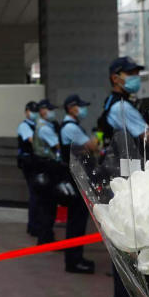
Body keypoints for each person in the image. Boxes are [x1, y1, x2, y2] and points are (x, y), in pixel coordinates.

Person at [99, 57, 149, 297]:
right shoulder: (120, 107)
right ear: (116, 77)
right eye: (131, 73)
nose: (136, 77)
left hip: (124, 177)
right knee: (129, 243)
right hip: (126, 180)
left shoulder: (116, 104)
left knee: (126, 241)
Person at [59, 94, 98, 274]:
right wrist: (99, 135)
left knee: (78, 221)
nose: (83, 110)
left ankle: (76, 258)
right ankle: (74, 261)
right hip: (75, 179)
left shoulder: (71, 127)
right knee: (76, 221)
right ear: (71, 107)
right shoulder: (70, 127)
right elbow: (91, 146)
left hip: (76, 178)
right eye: (80, 106)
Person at [32, 98, 61, 245]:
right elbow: (58, 146)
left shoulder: (44, 126)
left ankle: (46, 238)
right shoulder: (44, 128)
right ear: (42, 111)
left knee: (47, 205)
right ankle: (46, 239)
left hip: (44, 168)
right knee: (48, 206)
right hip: (47, 168)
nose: (52, 112)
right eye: (50, 109)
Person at [17, 101, 40, 236]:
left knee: (36, 194)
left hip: (34, 161)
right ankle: (33, 226)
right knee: (34, 194)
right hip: (28, 162)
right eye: (32, 111)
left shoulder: (36, 125)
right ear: (26, 112)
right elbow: (33, 141)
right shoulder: (24, 126)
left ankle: (34, 225)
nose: (34, 113)